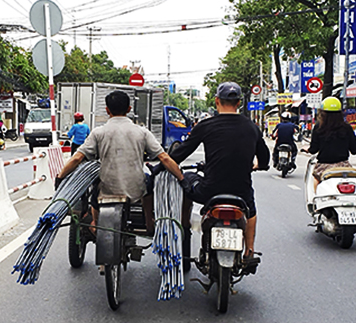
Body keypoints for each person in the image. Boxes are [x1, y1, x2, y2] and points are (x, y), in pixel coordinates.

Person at [169, 82, 270, 268]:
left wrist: (163, 164)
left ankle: (185, 227)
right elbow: (264, 159)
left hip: (209, 191)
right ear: (239, 103)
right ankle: (249, 251)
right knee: (251, 209)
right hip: (241, 193)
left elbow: (180, 153)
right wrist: (259, 166)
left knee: (186, 179)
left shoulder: (205, 126)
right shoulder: (252, 127)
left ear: (217, 101)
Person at [56, 91, 184, 236]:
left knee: (94, 189)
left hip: (106, 189)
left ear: (107, 110)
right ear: (129, 109)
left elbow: (76, 158)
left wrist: (60, 177)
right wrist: (182, 179)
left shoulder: (98, 133)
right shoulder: (142, 132)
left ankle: (95, 223)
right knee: (149, 183)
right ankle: (149, 221)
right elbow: (165, 158)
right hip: (136, 189)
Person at [302, 97, 356, 193]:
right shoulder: (347, 128)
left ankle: (316, 202)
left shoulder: (319, 128)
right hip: (343, 166)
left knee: (316, 179)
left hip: (324, 166)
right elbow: (355, 150)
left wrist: (307, 149)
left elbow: (314, 149)